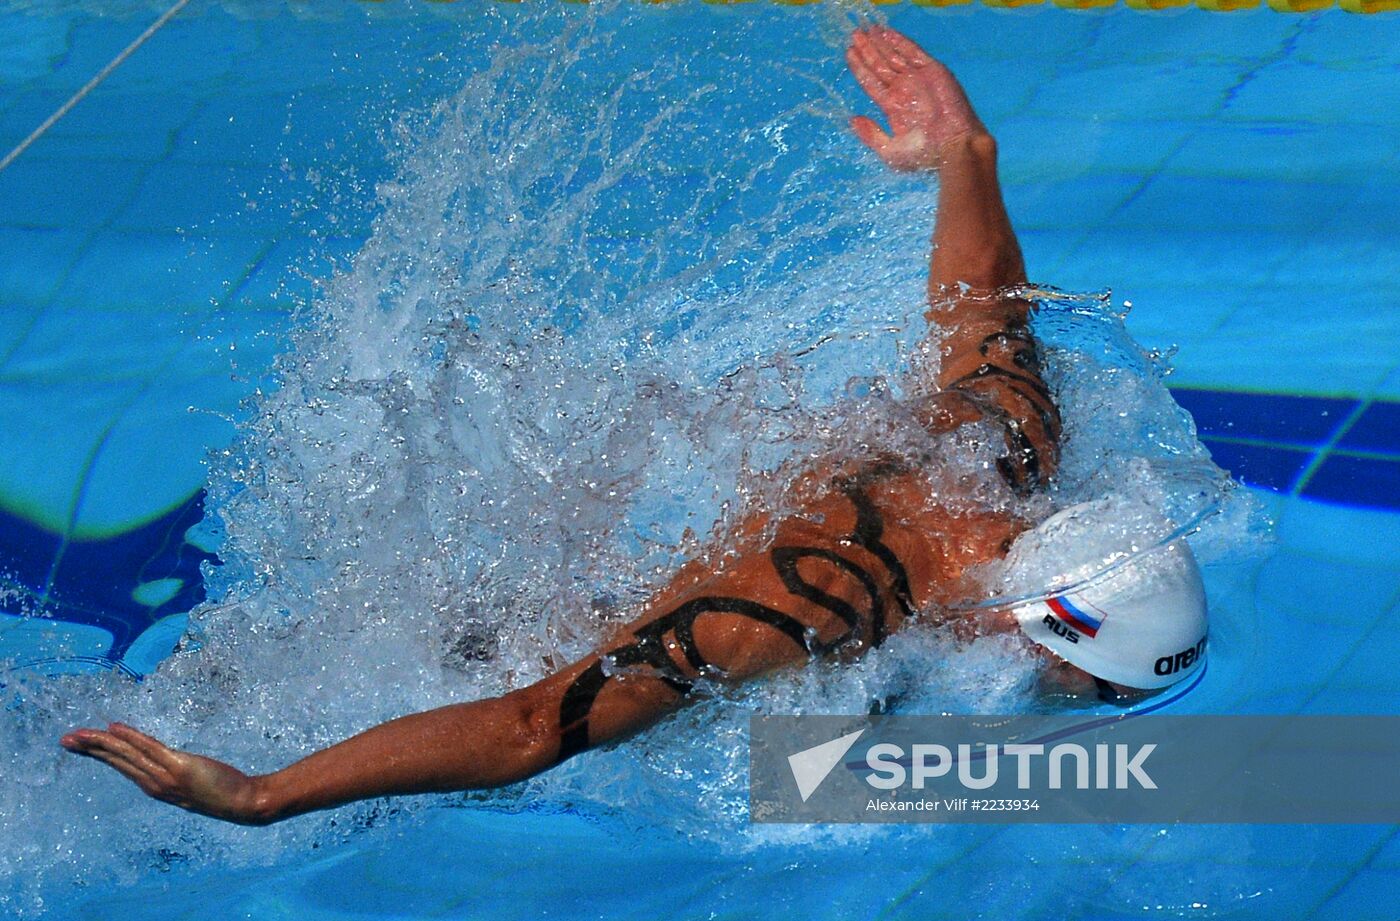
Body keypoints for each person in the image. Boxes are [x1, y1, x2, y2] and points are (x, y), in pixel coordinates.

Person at [60, 25, 1205, 826]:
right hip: (468, 677)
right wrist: (260, 798)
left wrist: (965, 157)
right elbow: (522, 734)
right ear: (1031, 629)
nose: (1080, 711)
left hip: (608, 597)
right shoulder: (796, 613)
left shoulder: (1005, 454)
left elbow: (985, 312)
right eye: (1091, 693)